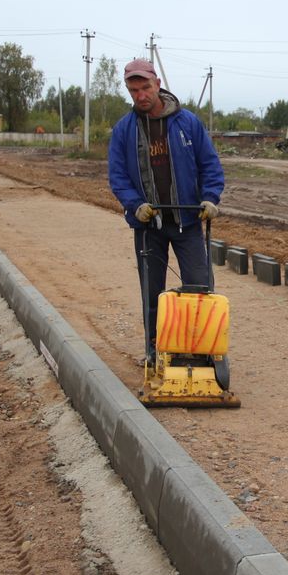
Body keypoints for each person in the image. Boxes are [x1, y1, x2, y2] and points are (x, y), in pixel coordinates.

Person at [108, 58, 224, 365]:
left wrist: (211, 198)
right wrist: (136, 205)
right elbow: (117, 177)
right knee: (152, 292)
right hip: (148, 225)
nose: (140, 95)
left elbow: (209, 164)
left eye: (145, 87)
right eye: (134, 90)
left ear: (157, 84)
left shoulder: (188, 123)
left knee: (199, 286)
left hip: (188, 220)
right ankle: (154, 348)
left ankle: (202, 350)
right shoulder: (124, 131)